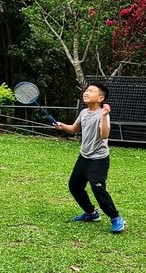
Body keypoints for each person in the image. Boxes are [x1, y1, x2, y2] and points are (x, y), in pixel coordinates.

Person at [52, 82, 127, 234]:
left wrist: (105, 116)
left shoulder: (103, 115)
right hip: (84, 157)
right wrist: (62, 126)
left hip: (98, 160)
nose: (86, 93)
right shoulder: (84, 113)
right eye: (86, 90)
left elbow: (105, 135)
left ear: (100, 98)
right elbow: (74, 129)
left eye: (91, 91)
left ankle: (116, 217)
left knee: (97, 188)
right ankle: (91, 213)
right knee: (74, 186)